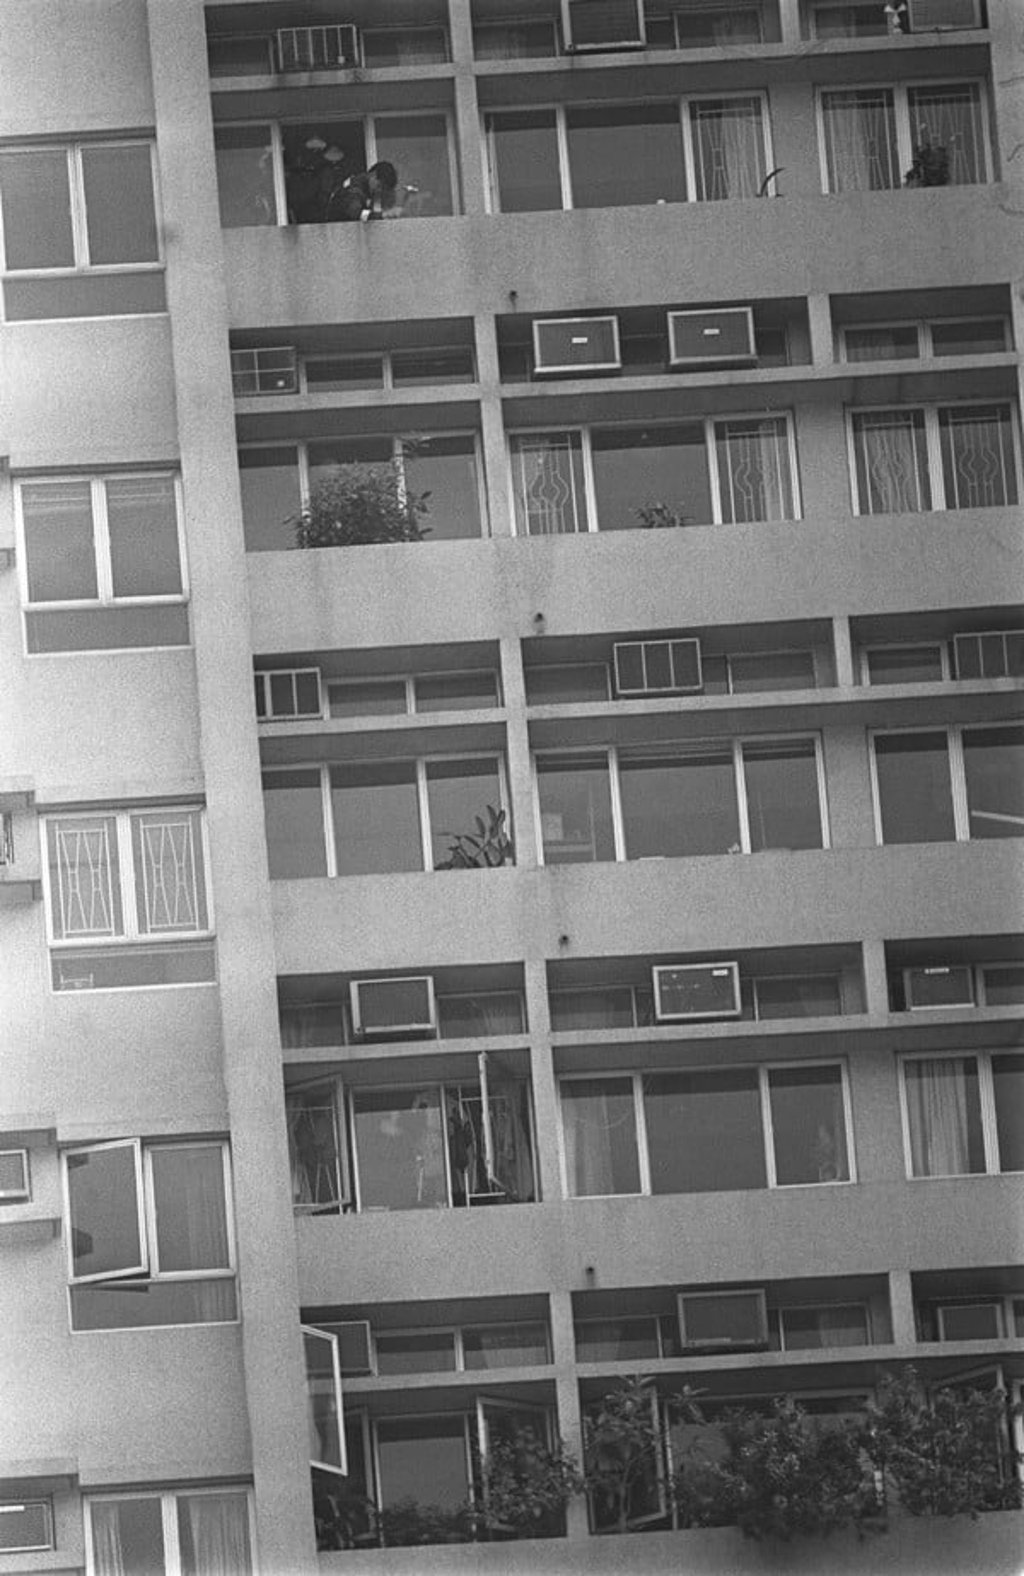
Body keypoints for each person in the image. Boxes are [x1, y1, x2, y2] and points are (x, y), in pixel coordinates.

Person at [328, 160, 400, 222]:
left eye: (383, 189)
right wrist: (384, 215)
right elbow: (356, 213)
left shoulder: (367, 191)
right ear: (373, 175)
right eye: (379, 186)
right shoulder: (354, 188)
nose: (379, 191)